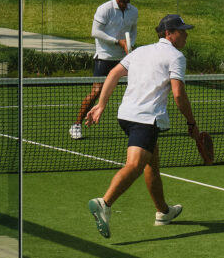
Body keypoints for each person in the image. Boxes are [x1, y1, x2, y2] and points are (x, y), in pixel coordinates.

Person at [83, 14, 203, 239]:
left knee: (151, 166)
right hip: (145, 119)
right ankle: (105, 203)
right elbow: (178, 93)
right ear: (169, 33)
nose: (186, 34)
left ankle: (163, 211)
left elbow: (113, 74)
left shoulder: (139, 51)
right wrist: (191, 122)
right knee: (136, 164)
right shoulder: (176, 56)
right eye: (182, 30)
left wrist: (101, 105)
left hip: (126, 115)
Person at [70, 0, 139, 140]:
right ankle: (76, 125)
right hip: (104, 57)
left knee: (137, 88)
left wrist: (130, 44)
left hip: (124, 58)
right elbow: (95, 32)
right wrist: (118, 42)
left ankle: (140, 123)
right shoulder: (105, 9)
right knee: (96, 92)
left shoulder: (133, 11)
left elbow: (133, 30)